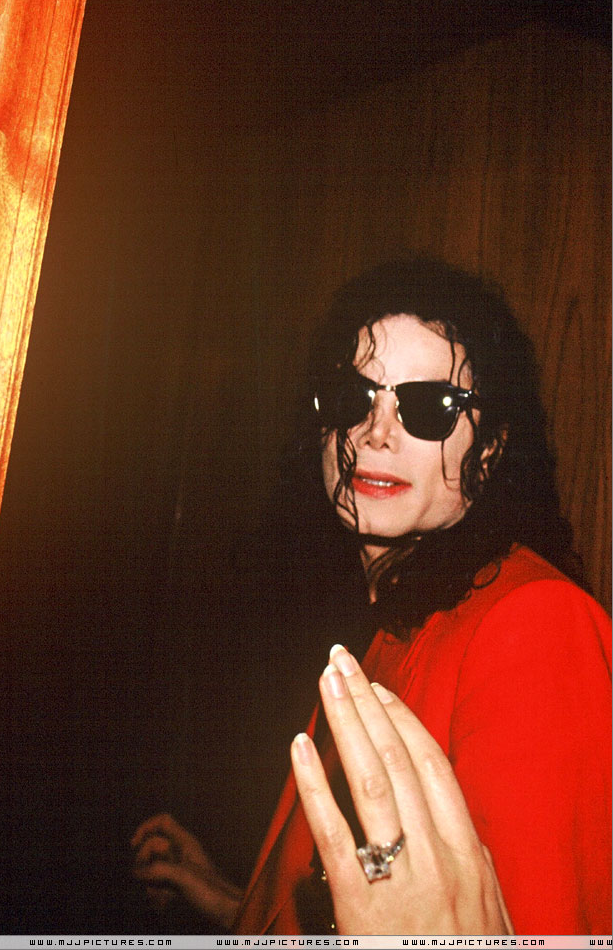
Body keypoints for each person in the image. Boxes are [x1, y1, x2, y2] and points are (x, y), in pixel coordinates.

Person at [132, 259, 612, 935]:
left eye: (428, 407)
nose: (375, 431)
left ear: (492, 449)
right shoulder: (390, 627)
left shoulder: (532, 625)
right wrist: (232, 900)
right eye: (354, 397)